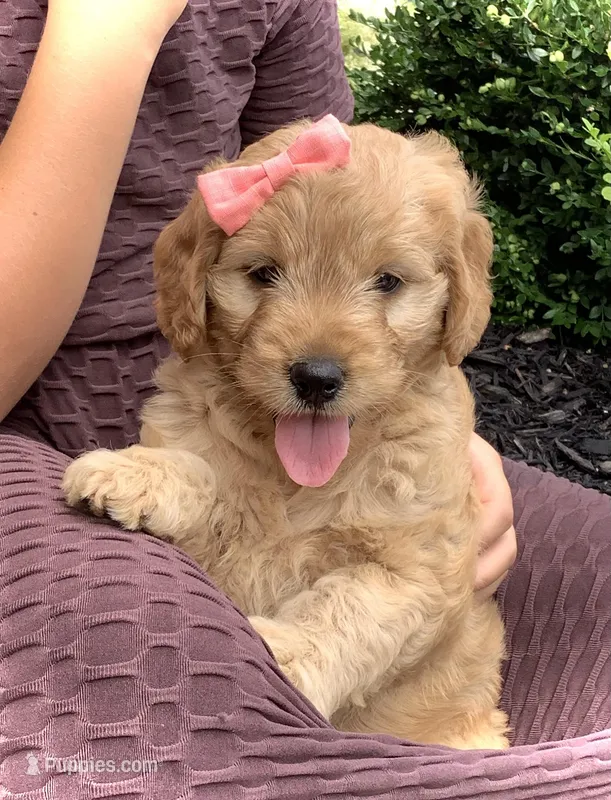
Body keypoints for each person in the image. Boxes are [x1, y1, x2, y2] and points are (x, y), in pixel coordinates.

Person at [0, 2, 608, 798]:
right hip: (30, 435)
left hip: (415, 718)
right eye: (260, 275)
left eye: (387, 285)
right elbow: (192, 485)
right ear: (194, 280)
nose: (319, 356)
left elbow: (332, 169)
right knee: (156, 701)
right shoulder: (192, 389)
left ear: (459, 295)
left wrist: (445, 486)